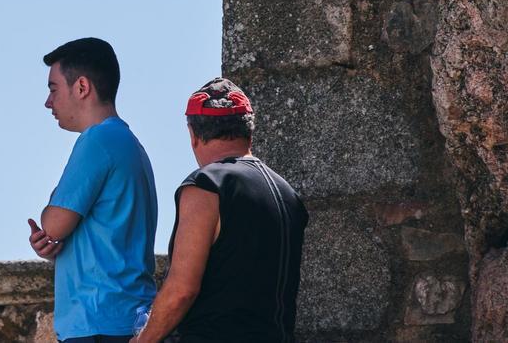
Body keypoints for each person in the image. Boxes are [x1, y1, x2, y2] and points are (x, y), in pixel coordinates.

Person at [131, 78, 308, 343]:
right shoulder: (287, 193)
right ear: (250, 131)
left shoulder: (206, 186)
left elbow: (182, 290)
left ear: (193, 134)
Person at [27, 38, 159, 342]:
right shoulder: (128, 143)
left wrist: (51, 218)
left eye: (53, 89)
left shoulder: (97, 141)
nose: (49, 102)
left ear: (82, 87)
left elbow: (53, 223)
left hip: (99, 321)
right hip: (125, 317)